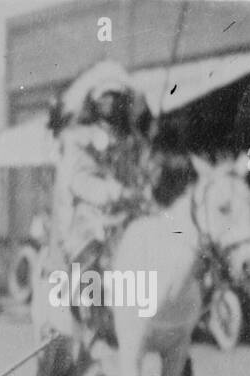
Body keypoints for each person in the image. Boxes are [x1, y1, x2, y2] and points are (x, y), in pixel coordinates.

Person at [47, 60, 153, 339]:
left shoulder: (132, 141)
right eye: (105, 97)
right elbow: (79, 182)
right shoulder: (79, 139)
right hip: (90, 218)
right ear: (94, 102)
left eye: (117, 97)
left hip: (127, 214)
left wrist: (142, 184)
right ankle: (90, 319)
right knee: (91, 255)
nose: (111, 102)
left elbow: (139, 174)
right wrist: (115, 191)